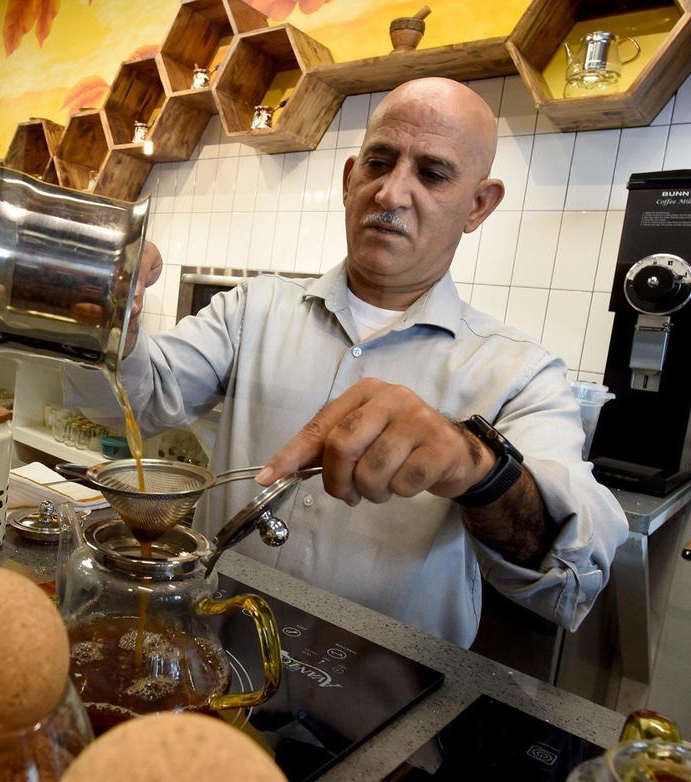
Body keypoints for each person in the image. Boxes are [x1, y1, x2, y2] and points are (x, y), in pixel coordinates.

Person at [64, 77, 627, 648]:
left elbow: (572, 573)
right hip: (216, 659)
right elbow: (129, 404)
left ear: (478, 205)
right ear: (349, 178)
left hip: (384, 698)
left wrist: (470, 464)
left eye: (432, 174)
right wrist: (112, 316)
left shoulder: (517, 371)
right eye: (379, 163)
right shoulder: (254, 310)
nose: (390, 194)